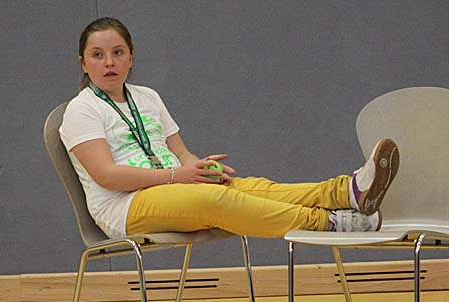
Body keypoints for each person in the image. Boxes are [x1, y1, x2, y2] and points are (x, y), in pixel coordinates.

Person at [60, 17, 399, 239]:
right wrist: (178, 176)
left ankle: (346, 193)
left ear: (131, 57)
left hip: (176, 186)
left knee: (251, 187)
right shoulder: (81, 109)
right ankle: (331, 223)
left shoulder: (147, 97)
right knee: (215, 199)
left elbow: (180, 153)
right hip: (125, 208)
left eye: (118, 52)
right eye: (98, 55)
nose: (109, 62)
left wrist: (199, 168)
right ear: (83, 63)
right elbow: (107, 176)